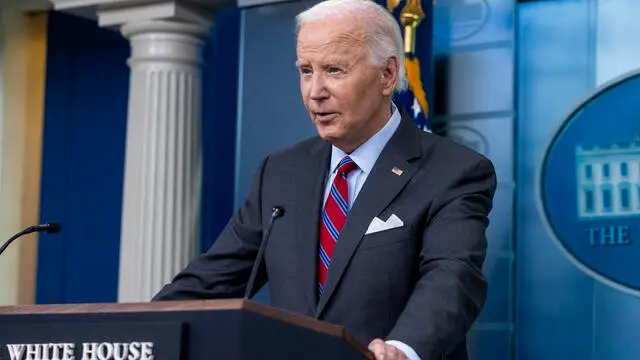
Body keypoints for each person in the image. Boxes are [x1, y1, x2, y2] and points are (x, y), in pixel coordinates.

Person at [153, 0, 497, 359]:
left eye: (334, 70)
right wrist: (135, 330)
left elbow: (451, 278)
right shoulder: (281, 171)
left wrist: (401, 350)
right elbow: (213, 280)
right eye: (306, 70)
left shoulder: (455, 170)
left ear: (388, 75)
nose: (315, 91)